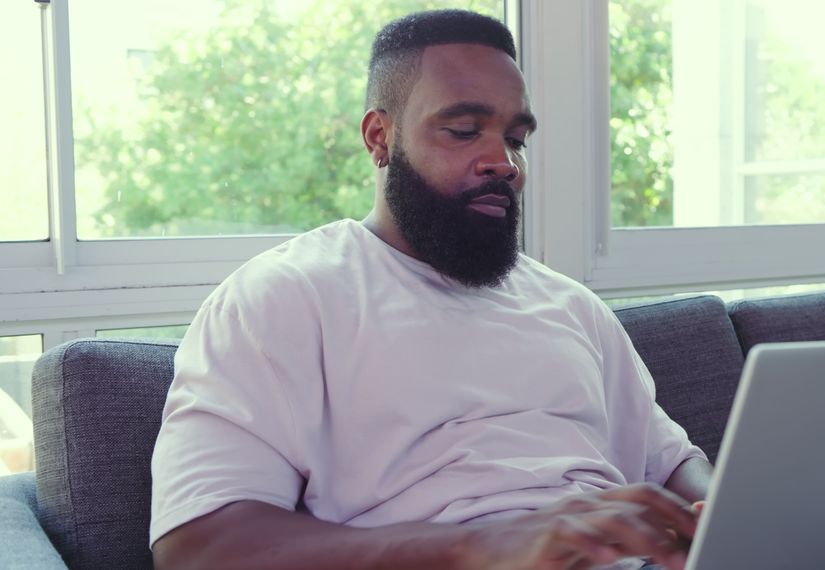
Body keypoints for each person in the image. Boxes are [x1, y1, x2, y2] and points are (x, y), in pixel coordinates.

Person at [150, 9, 712, 570]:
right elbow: (197, 549)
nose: (504, 163)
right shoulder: (282, 298)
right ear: (380, 136)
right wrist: (487, 545)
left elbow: (671, 464)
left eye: (516, 139)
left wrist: (721, 513)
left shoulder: (571, 306)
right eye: (464, 131)